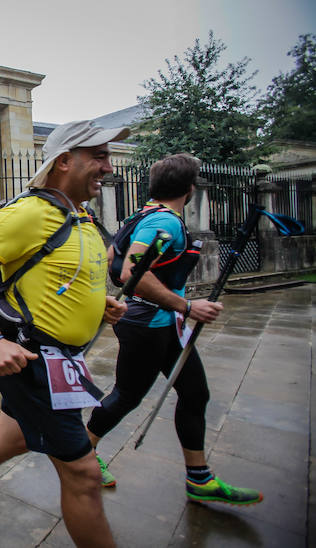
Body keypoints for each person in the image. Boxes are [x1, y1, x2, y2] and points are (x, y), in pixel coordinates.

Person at [0, 120, 129, 545]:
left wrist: (97, 306)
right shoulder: (29, 212)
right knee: (84, 475)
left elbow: (68, 276)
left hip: (61, 361)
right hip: (34, 359)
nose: (108, 167)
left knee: (11, 437)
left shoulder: (81, 218)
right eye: (99, 156)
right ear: (65, 161)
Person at [86, 153, 263, 505]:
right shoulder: (161, 223)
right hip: (148, 325)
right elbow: (129, 273)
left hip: (164, 324)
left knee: (195, 393)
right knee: (127, 396)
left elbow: (110, 257)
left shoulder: (143, 214)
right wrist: (187, 305)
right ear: (190, 188)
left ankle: (199, 478)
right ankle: (83, 453)